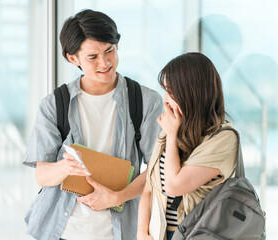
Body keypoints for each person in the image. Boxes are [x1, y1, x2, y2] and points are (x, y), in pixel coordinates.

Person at [22, 9, 163, 240]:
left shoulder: (145, 101)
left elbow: (158, 169)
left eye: (110, 50)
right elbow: (42, 175)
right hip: (63, 231)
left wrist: (117, 197)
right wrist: (64, 168)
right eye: (92, 57)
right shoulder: (55, 104)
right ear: (72, 58)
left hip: (120, 231)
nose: (105, 62)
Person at [137, 52, 238, 240]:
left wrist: (173, 135)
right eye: (165, 90)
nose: (165, 99)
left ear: (193, 93)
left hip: (196, 235)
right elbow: (148, 189)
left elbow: (174, 186)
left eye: (172, 92)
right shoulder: (172, 128)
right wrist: (141, 233)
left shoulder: (223, 139)